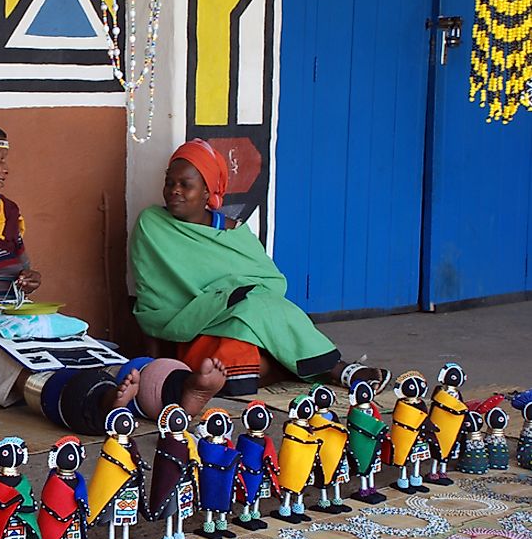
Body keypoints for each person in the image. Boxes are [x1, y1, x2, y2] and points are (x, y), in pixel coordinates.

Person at [0, 120, 226, 434]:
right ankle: (94, 405)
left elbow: (19, 270)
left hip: (8, 312)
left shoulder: (6, 212)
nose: (5, 169)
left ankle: (173, 389)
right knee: (15, 365)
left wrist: (27, 280)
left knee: (78, 347)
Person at [130, 139, 390, 397]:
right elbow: (151, 295)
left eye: (185, 185)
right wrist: (151, 364)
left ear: (207, 192)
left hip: (243, 317)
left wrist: (231, 295)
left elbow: (271, 282)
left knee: (255, 308)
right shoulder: (152, 225)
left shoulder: (235, 231)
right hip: (190, 324)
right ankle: (301, 367)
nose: (175, 190)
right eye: (170, 183)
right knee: (232, 369)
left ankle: (338, 369)